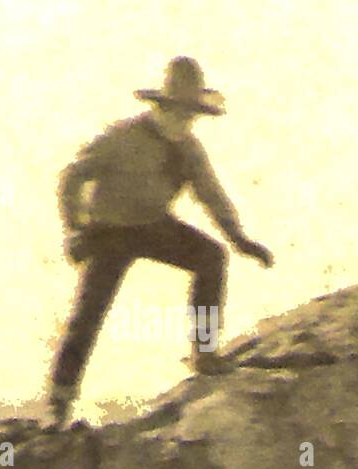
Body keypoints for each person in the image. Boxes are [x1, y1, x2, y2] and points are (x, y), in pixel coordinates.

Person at [49, 56, 274, 429]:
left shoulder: (188, 149)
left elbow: (212, 197)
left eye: (190, 115)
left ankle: (204, 352)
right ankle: (58, 405)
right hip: (109, 232)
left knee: (211, 258)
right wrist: (74, 228)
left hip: (154, 225)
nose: (183, 122)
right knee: (88, 315)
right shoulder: (120, 138)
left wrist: (241, 240)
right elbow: (72, 178)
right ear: (160, 106)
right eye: (177, 112)